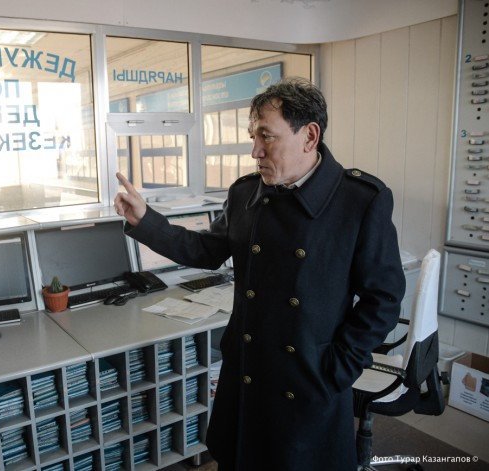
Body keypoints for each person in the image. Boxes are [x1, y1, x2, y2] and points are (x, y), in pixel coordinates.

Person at [114, 77, 405, 470]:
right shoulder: (246, 193)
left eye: (267, 136)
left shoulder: (359, 200)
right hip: (247, 374)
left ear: (309, 136)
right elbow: (207, 250)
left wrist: (339, 367)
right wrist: (146, 221)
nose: (255, 151)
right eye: (253, 137)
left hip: (310, 378)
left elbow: (382, 298)